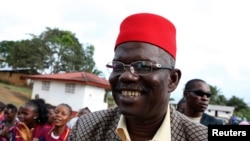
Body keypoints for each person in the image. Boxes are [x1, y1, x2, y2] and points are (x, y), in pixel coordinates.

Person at [69, 12, 207, 140]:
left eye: (143, 66)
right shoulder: (85, 129)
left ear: (172, 79)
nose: (126, 76)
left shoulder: (200, 137)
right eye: (118, 66)